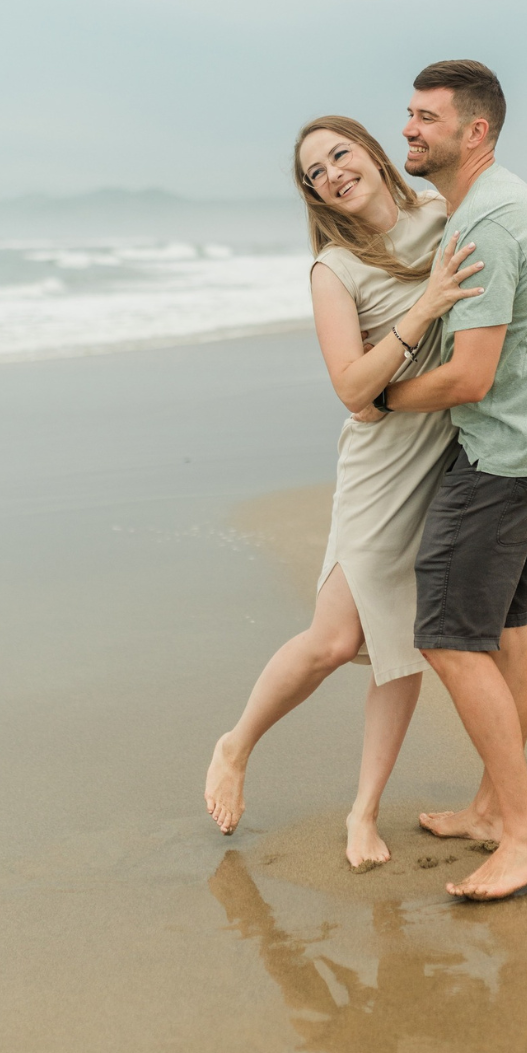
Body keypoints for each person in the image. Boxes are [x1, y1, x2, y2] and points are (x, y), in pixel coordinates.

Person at [204, 115, 485, 867]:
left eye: (339, 154)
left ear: (370, 150)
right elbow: (353, 391)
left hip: (449, 456)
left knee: (399, 649)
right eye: (315, 172)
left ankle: (364, 813)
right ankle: (235, 745)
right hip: (381, 466)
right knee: (334, 641)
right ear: (315, 195)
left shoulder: (441, 215)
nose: (331, 172)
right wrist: (424, 307)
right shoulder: (335, 269)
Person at [375, 60, 527, 900]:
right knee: (504, 626)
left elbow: (470, 376)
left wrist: (387, 395)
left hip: (505, 452)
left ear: (476, 132)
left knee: (448, 632)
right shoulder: (493, 204)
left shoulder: (489, 223)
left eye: (427, 118)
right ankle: (493, 811)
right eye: (408, 114)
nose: (408, 130)